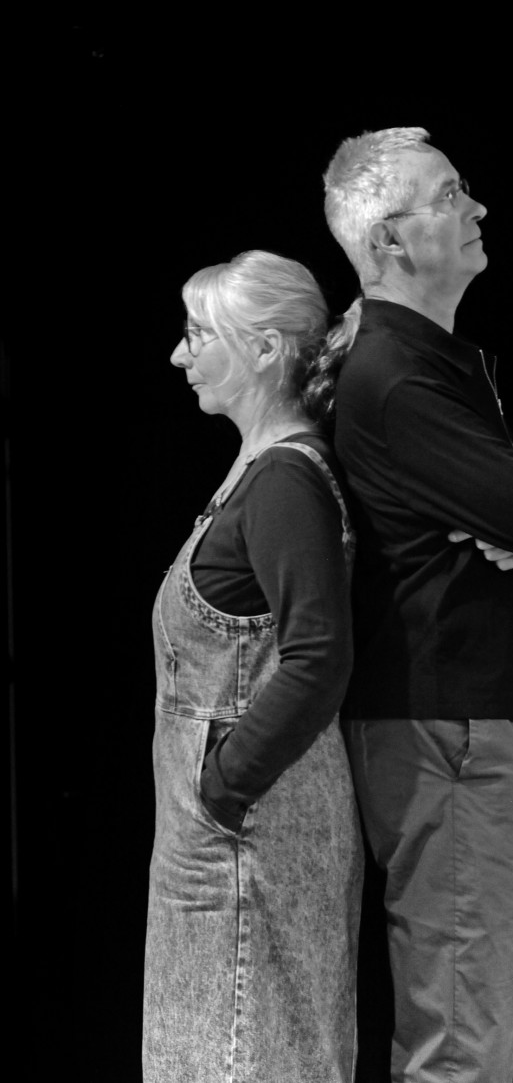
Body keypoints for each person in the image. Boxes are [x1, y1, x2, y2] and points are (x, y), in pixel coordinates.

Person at [322, 127, 513, 1081]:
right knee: (460, 1045)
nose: (475, 208)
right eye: (447, 196)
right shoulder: (398, 379)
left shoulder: (420, 363)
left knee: (459, 1028)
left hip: (453, 721)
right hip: (450, 729)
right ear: (388, 241)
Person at [143, 250, 363, 1083]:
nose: (180, 354)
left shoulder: (283, 483)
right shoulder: (262, 471)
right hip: (229, 839)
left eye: (199, 334)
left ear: (266, 348)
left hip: (251, 837)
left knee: (243, 1056)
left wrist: (221, 790)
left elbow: (318, 657)